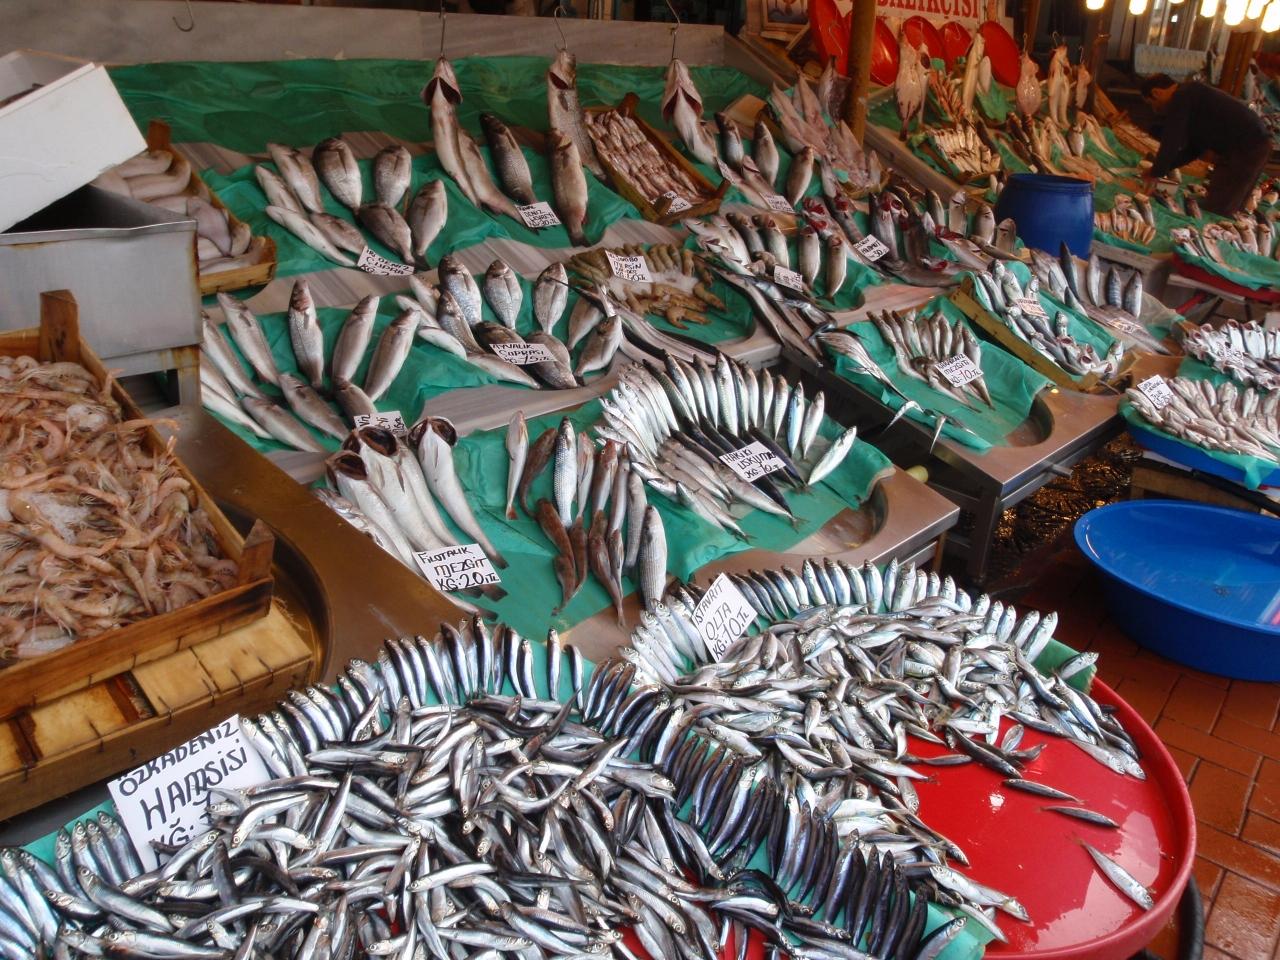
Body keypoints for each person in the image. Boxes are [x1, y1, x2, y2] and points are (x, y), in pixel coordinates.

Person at [1140, 73, 1271, 216]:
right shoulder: (1192, 96)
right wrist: (1159, 169)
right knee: (1222, 200)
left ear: (1156, 93)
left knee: (1220, 206)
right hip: (1250, 146)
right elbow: (1194, 149)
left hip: (1248, 147)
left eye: (1151, 104)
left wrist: (1156, 172)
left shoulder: (1181, 96)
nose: (1155, 110)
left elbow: (1171, 139)